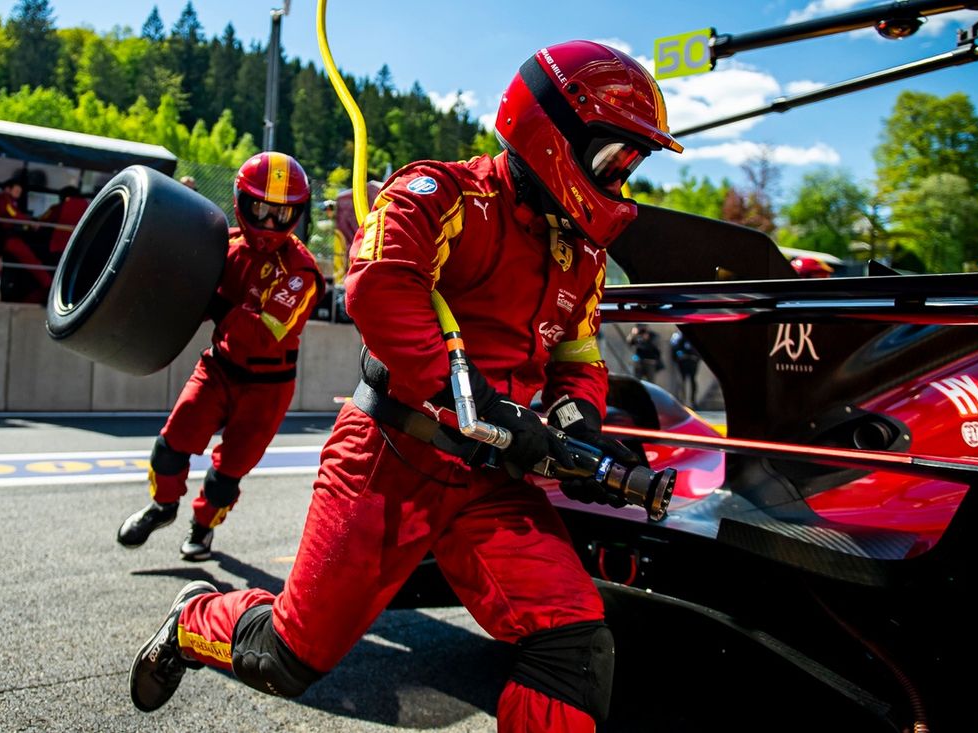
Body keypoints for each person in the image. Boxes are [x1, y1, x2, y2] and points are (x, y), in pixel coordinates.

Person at [126, 40, 682, 731]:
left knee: (574, 642)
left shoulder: (584, 255)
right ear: (553, 134)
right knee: (286, 657)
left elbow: (578, 355)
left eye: (633, 164)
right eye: (615, 158)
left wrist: (578, 426)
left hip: (490, 479)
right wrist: (469, 396)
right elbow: (381, 286)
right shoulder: (444, 192)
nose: (623, 178)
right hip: (390, 458)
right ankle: (194, 619)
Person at [116, 152, 324, 562]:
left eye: (280, 214)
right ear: (241, 202)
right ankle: (162, 507)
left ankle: (203, 529)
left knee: (227, 473)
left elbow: (261, 336)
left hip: (268, 387)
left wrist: (212, 302)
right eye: (260, 208)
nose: (267, 223)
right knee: (169, 447)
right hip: (218, 368)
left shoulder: (302, 273)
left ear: (297, 215)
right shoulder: (220, 245)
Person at [0, 177, 51, 304]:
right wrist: (30, 222)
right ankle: (48, 285)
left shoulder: (8, 200)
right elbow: (13, 214)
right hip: (7, 238)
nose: (19, 194)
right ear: (8, 189)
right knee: (30, 259)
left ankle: (46, 285)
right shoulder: (3, 198)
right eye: (17, 190)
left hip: (6, 237)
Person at [39, 186, 90, 266]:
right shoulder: (87, 207)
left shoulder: (57, 208)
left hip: (58, 246)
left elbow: (42, 221)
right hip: (79, 246)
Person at [670, 330, 702, 408]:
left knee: (692, 380)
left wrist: (696, 357)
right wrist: (678, 357)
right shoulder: (678, 336)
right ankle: (682, 400)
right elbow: (675, 347)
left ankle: (693, 401)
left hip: (692, 361)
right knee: (682, 380)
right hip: (683, 362)